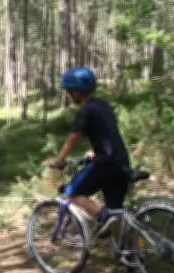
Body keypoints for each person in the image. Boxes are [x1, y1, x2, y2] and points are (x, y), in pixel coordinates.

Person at [45, 67, 131, 235]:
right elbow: (106, 131)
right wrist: (94, 151)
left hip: (105, 164)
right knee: (116, 212)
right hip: (121, 162)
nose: (67, 94)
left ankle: (103, 217)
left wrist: (57, 161)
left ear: (76, 92)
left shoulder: (85, 111)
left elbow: (72, 140)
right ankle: (126, 249)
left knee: (72, 193)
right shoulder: (103, 105)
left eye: (68, 91)